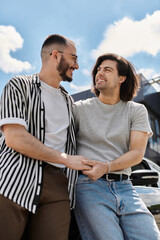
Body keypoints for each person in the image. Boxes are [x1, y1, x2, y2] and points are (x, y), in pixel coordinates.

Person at [0, 34, 91, 240]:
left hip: (58, 186)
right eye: (74, 58)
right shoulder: (18, 85)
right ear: (55, 55)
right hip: (14, 178)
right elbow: (15, 138)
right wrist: (66, 159)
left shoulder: (69, 101)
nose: (76, 65)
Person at [73, 53, 160, 240]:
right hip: (88, 186)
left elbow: (137, 153)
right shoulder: (78, 109)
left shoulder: (136, 110)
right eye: (98, 69)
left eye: (107, 69)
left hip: (125, 187)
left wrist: (107, 166)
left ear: (122, 78)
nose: (99, 73)